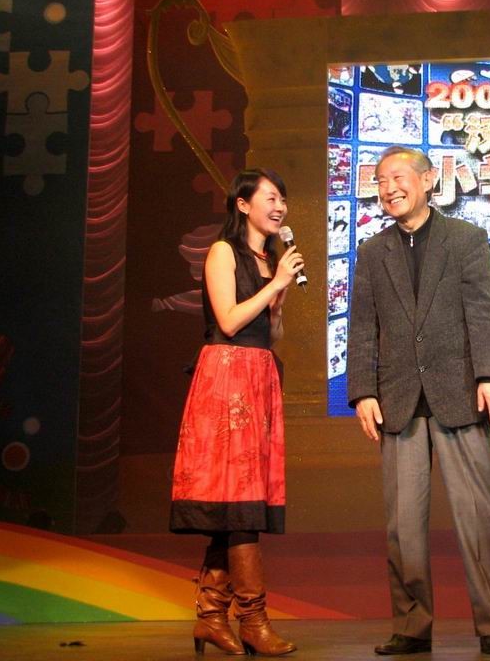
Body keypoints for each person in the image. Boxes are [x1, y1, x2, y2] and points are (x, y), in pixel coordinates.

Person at [347, 147, 490, 656]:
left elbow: (484, 311)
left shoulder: (465, 239)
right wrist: (362, 391)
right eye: (380, 181)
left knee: (477, 517)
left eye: (398, 177)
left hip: (459, 393)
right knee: (403, 527)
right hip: (398, 400)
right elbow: (363, 328)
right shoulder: (373, 251)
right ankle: (411, 626)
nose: (389, 188)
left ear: (427, 181)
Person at [170, 168, 305, 657]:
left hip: (259, 375)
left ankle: (210, 616)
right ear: (243, 204)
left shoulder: (270, 260)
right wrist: (274, 285)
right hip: (226, 378)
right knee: (239, 503)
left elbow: (271, 333)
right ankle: (253, 619)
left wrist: (279, 299)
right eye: (270, 197)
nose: (280, 206)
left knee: (235, 506)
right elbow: (227, 321)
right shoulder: (223, 252)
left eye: (282, 198)